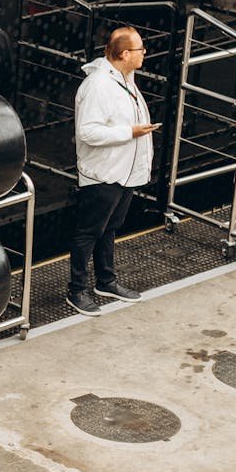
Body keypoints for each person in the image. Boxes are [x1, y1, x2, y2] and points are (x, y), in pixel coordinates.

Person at [67, 26, 158, 316]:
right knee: (89, 232)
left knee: (108, 229)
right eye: (140, 49)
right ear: (124, 54)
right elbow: (88, 132)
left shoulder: (125, 78)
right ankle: (77, 289)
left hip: (124, 172)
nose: (145, 53)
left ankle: (105, 281)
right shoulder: (97, 86)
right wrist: (129, 132)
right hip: (103, 174)